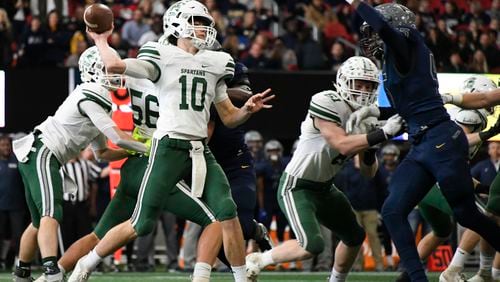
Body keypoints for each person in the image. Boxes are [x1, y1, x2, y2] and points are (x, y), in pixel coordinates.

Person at [70, 1, 274, 282]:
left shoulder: (217, 61)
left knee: (227, 212)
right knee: (140, 223)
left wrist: (246, 111)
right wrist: (101, 39)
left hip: (200, 150)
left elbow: (228, 117)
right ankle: (86, 264)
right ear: (176, 23)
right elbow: (116, 65)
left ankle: (239, 278)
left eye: (205, 22)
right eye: (197, 21)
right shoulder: (160, 53)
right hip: (168, 148)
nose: (204, 27)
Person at [344, 2, 500, 281]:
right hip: (424, 142)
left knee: (468, 215)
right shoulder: (404, 54)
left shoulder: (405, 47)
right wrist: (375, 111)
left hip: (441, 140)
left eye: (377, 32)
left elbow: (383, 29)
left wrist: (357, 3)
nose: (373, 38)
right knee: (392, 210)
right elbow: (410, 107)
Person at [246, 56, 404, 282]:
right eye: (358, 84)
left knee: (354, 236)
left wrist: (370, 148)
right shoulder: (327, 101)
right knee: (312, 245)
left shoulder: (366, 117)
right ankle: (259, 260)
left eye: (368, 86)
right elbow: (340, 143)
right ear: (343, 82)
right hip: (297, 186)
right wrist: (382, 133)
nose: (363, 90)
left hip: (325, 188)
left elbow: (368, 172)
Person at [11, 46, 148, 282]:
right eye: (107, 68)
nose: (114, 72)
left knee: (38, 221)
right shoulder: (91, 91)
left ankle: (21, 273)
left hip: (41, 154)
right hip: (43, 152)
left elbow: (103, 153)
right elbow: (116, 136)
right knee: (51, 213)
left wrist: (132, 153)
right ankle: (52, 271)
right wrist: (149, 147)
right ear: (94, 71)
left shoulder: (98, 100)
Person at [393, 76, 500, 282]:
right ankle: (453, 270)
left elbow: (455, 164)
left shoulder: (454, 113)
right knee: (483, 217)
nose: (491, 102)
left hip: (424, 185)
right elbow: (455, 141)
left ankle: (405, 277)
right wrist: (488, 134)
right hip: (437, 184)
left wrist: (483, 187)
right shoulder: (472, 115)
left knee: (441, 231)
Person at [0, 135, 28, 271]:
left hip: (17, 205)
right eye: (3, 145)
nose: (6, 148)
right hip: (0, 206)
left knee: (18, 235)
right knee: (1, 235)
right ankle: (2, 260)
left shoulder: (17, 161)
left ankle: (19, 261)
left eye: (7, 145)